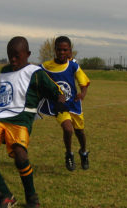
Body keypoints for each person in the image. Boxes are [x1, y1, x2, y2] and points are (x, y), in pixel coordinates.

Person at [0, 36, 66, 208]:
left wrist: (60, 102)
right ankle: (5, 195)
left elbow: (57, 91)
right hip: (0, 115)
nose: (13, 60)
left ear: (28, 54)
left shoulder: (35, 73)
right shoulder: (5, 70)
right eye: (10, 56)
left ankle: (32, 197)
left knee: (20, 155)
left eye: (17, 55)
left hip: (21, 118)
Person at [38, 36, 90, 171]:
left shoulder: (73, 66)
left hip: (74, 104)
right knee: (68, 129)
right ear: (55, 50)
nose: (62, 53)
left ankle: (83, 152)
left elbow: (84, 82)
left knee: (80, 132)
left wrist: (82, 94)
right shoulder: (46, 66)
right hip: (60, 106)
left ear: (69, 51)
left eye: (65, 50)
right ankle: (69, 154)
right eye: (59, 50)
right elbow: (32, 73)